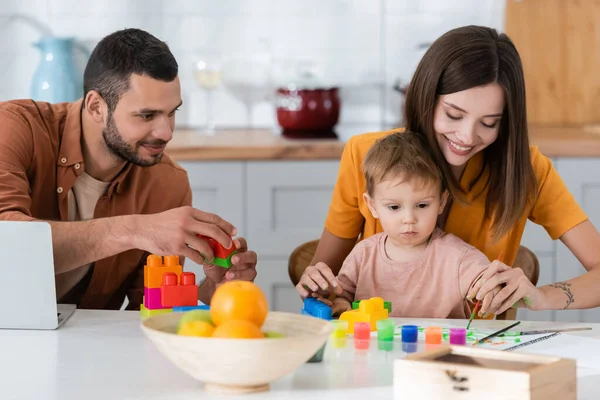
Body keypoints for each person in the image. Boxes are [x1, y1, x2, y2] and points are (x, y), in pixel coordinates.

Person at [296, 25, 600, 318]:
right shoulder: (365, 155)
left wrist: (542, 295)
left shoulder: (526, 169)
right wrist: (319, 285)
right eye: (454, 115)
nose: (467, 137)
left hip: (470, 350)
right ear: (426, 99)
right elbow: (327, 280)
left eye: (489, 122)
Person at [0, 28, 257, 310]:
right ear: (96, 106)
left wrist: (210, 293)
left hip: (88, 347)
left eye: (172, 112)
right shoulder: (15, 128)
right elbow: (6, 245)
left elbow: (147, 316)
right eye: (146, 115)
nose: (166, 132)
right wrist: (135, 230)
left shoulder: (167, 183)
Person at [326, 131, 493, 318]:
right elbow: (342, 296)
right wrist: (340, 304)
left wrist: (491, 290)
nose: (409, 218)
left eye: (422, 205)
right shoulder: (362, 255)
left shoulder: (458, 258)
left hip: (442, 347)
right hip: (372, 347)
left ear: (441, 202)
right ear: (372, 206)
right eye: (394, 207)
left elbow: (489, 286)